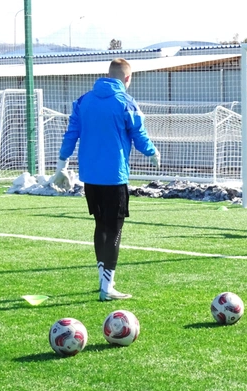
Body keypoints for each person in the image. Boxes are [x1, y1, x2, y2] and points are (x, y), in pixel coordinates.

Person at [53, 58, 160, 301]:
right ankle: (107, 286)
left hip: (90, 177)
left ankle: (104, 279)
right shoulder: (126, 102)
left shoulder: (83, 101)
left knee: (101, 225)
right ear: (127, 79)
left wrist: (61, 164)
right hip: (114, 177)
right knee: (114, 229)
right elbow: (140, 135)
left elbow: (71, 134)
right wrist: (153, 152)